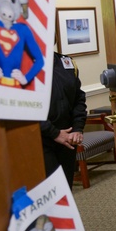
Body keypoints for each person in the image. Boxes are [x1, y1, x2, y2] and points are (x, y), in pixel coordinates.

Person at [40, 51, 86, 182]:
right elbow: (26, 108)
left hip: (68, 139)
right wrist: (54, 133)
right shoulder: (22, 64)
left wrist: (77, 128)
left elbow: (78, 98)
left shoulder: (66, 62)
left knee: (66, 186)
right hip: (41, 139)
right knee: (52, 188)